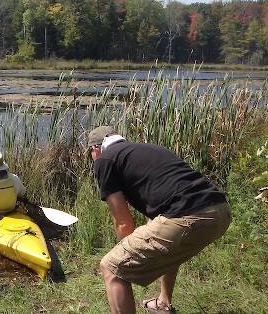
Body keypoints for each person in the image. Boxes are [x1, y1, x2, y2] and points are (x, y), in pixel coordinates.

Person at [88, 126, 231, 314]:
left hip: (187, 215)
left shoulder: (104, 160)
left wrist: (128, 258)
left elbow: (123, 222)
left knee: (112, 268)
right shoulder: (148, 149)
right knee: (168, 244)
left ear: (95, 149)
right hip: (220, 211)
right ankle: (163, 303)